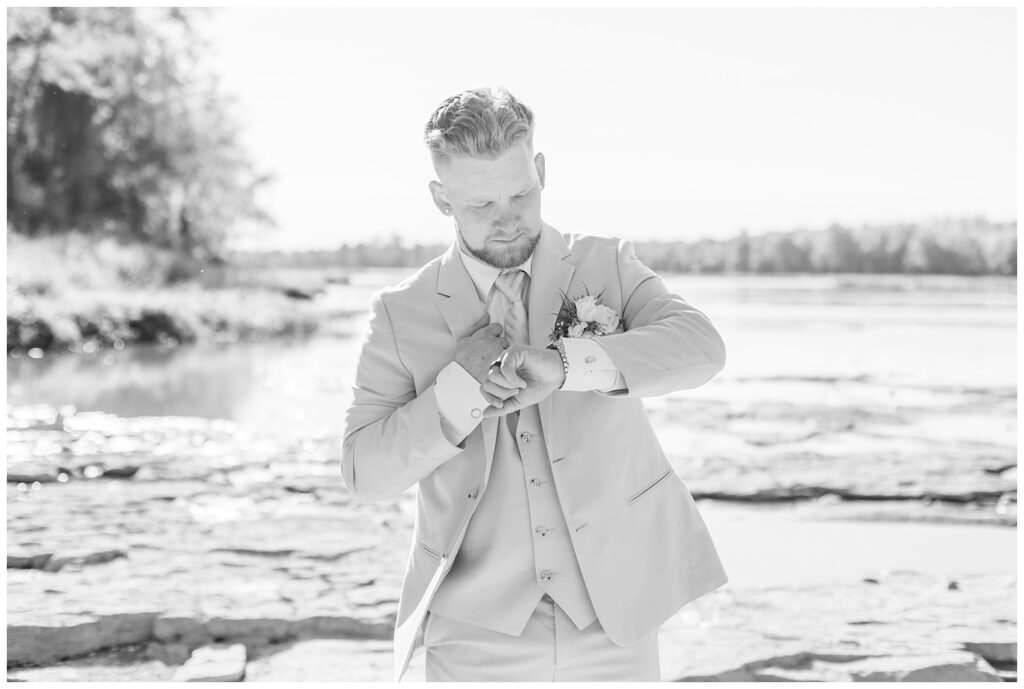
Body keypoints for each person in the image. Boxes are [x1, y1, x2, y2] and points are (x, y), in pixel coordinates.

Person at [341, 86, 729, 682]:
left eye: (521, 193)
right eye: (481, 204)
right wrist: (457, 391)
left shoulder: (608, 265)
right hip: (473, 633)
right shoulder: (400, 313)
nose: (507, 219)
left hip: (613, 619)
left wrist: (573, 366)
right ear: (441, 199)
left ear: (541, 170)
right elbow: (364, 472)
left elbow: (702, 348)